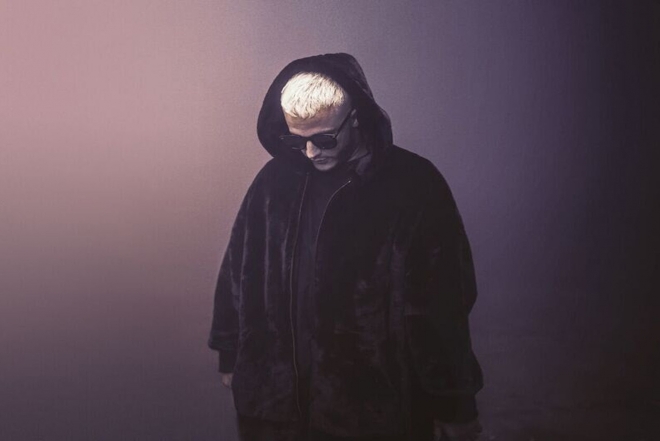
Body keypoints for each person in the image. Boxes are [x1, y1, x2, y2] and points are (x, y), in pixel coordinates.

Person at [208, 53, 483, 441]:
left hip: (370, 415)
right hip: (272, 409)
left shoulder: (414, 186)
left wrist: (454, 402)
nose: (310, 152)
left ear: (355, 117)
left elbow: (442, 304)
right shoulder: (273, 181)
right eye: (295, 139)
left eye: (323, 139)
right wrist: (230, 350)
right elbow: (239, 266)